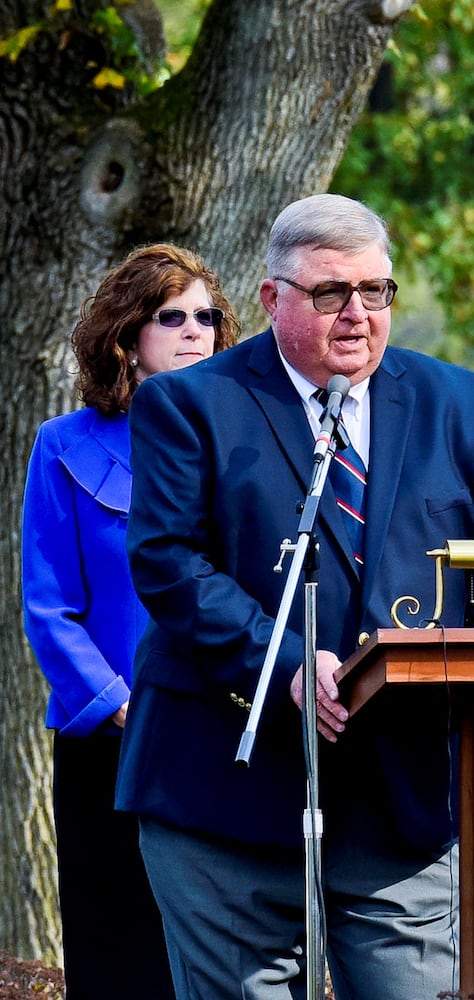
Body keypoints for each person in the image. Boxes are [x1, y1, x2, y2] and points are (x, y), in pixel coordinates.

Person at [115, 195, 474, 1000]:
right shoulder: (189, 405)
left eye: (375, 292)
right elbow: (168, 561)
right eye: (330, 294)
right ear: (275, 299)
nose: (357, 315)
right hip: (223, 789)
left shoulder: (459, 403)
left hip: (396, 798)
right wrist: (280, 661)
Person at [22, 243, 240, 1000]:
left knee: (224, 958)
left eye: (205, 317)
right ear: (126, 336)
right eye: (170, 316)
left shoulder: (251, 443)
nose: (193, 331)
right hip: (110, 742)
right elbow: (49, 606)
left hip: (228, 733)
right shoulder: (62, 446)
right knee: (120, 959)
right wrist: (117, 705)